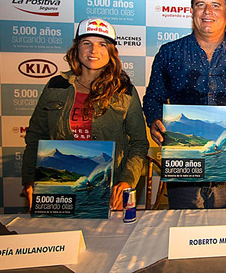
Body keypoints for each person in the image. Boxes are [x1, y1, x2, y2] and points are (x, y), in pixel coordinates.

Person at [143, 0, 226, 209]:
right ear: (191, 12)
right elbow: (153, 98)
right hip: (183, 175)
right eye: (200, 5)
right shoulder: (169, 53)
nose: (207, 12)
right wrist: (154, 121)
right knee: (184, 238)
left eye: (215, 5)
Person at [21, 18, 148, 210]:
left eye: (102, 44)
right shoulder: (56, 86)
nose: (94, 51)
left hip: (110, 190)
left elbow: (139, 143)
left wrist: (127, 181)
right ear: (76, 48)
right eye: (87, 43)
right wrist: (31, 179)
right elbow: (35, 136)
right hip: (58, 193)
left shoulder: (125, 91)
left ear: (112, 52)